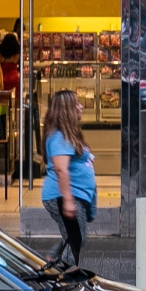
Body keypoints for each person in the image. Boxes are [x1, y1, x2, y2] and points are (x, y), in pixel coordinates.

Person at [39, 89, 96, 267]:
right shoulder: (59, 137)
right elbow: (61, 169)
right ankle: (65, 277)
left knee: (73, 236)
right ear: (67, 110)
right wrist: (69, 200)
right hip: (63, 195)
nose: (81, 107)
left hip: (72, 195)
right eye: (76, 104)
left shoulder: (67, 135)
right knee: (75, 239)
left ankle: (53, 260)